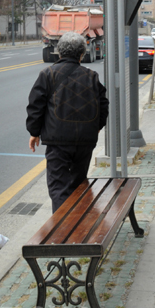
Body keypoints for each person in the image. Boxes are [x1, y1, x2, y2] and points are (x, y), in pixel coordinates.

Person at [26, 31, 109, 213]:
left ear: (59, 52)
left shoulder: (48, 74)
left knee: (58, 187)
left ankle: (63, 233)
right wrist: (96, 128)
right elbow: (103, 105)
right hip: (85, 142)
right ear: (82, 54)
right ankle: (78, 226)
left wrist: (34, 132)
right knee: (79, 184)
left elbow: (35, 106)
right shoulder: (92, 76)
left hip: (58, 141)